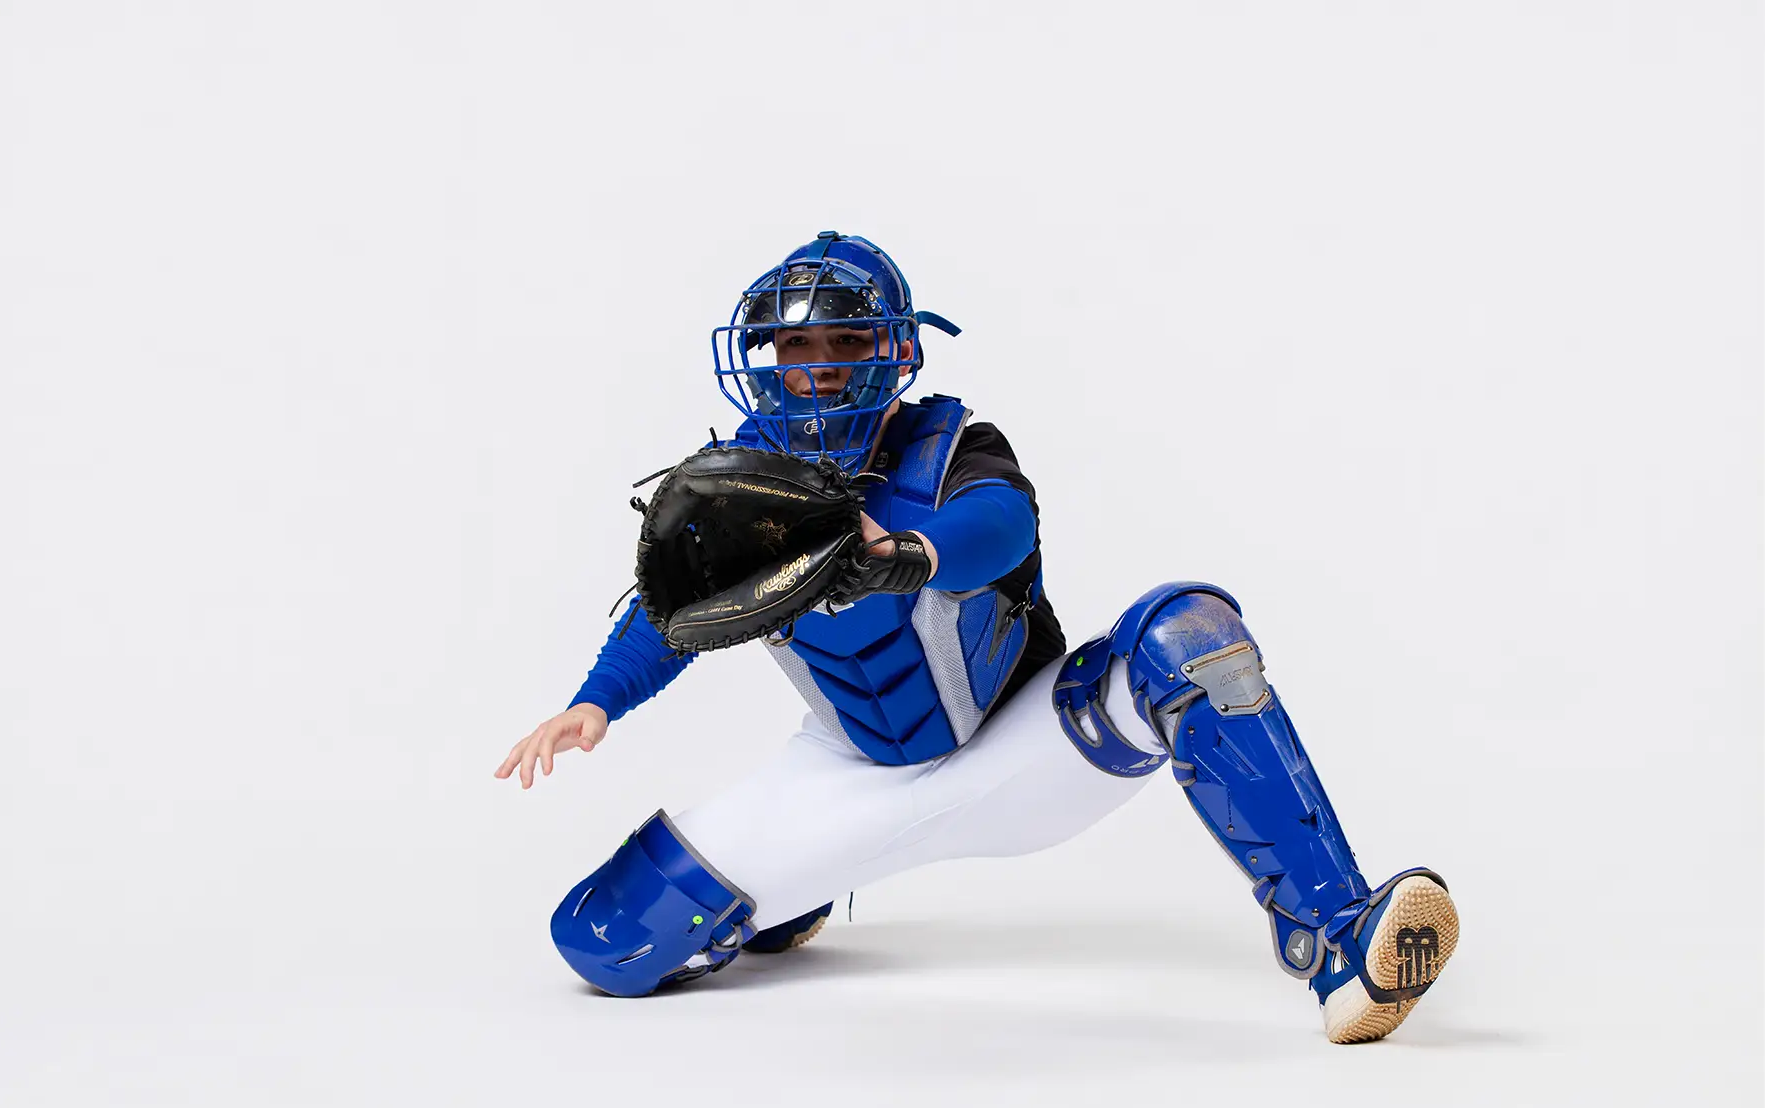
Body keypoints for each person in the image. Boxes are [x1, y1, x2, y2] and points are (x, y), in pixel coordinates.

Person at [496, 231, 1459, 1043]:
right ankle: (788, 894)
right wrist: (594, 700)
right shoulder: (746, 483)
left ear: (898, 353)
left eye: (848, 338)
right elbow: (673, 609)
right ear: (763, 358)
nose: (821, 364)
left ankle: (1341, 942)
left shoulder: (952, 448)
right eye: (798, 346)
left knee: (1188, 635)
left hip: (1024, 746)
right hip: (845, 768)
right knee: (605, 943)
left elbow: (1003, 524)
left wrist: (907, 549)